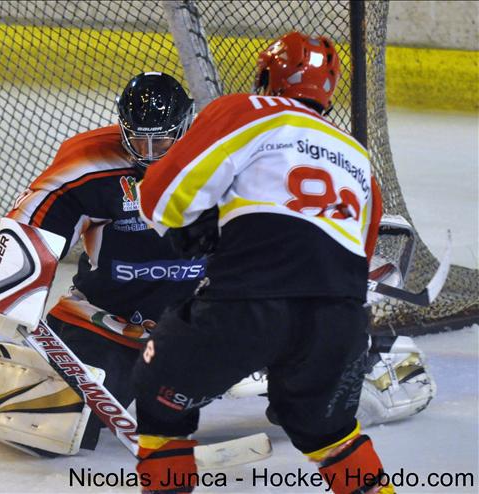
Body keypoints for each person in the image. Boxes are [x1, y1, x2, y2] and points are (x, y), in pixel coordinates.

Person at [132, 31, 394, 494]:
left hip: (247, 306)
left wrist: (188, 226)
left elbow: (160, 197)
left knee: (159, 397)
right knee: (331, 435)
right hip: (340, 321)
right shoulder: (358, 156)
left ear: (268, 76)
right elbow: (364, 251)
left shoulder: (246, 110)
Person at [0, 72, 206, 457]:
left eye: (160, 140)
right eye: (138, 140)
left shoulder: (220, 159)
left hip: (198, 323)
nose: (148, 153)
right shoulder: (90, 162)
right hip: (108, 321)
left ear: (185, 127)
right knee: (56, 424)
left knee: (286, 346)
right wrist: (12, 285)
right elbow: (36, 217)